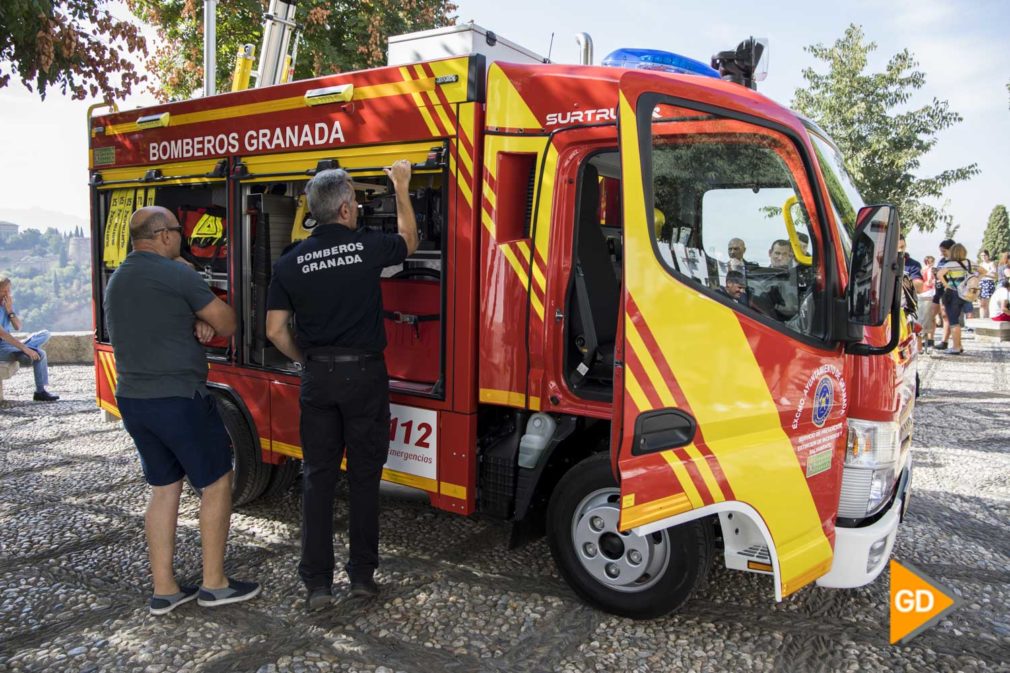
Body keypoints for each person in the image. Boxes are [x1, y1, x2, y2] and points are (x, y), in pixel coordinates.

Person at [265, 162, 419, 612]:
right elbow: (409, 242)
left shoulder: (289, 261)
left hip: (318, 378)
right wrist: (402, 187)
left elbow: (275, 330)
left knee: (317, 478)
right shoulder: (366, 248)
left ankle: (317, 585)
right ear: (348, 209)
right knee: (365, 478)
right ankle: (362, 579)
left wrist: (306, 358)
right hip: (365, 376)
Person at [104, 206, 260, 615]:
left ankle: (166, 590)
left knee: (164, 487)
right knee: (216, 482)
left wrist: (193, 318)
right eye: (178, 232)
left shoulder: (117, 279)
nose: (182, 239)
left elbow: (162, 321)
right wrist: (202, 314)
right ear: (164, 236)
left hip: (133, 399)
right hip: (178, 397)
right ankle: (215, 584)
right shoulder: (177, 274)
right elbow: (226, 322)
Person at [0, 276, 59, 401]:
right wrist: (26, 349)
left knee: (45, 334)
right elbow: (3, 334)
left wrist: (10, 310)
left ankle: (25, 352)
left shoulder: (5, 305)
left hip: (8, 344)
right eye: (4, 291)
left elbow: (18, 327)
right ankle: (40, 392)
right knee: (39, 354)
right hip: (2, 346)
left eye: (8, 290)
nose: (7, 294)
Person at [935, 242, 973, 355]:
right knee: (961, 317)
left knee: (953, 321)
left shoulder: (950, 264)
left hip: (954, 293)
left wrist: (947, 285)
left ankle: (956, 347)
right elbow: (983, 271)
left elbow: (939, 274)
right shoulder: (970, 263)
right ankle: (959, 345)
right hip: (966, 293)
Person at [930, 239, 955, 350]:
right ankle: (930, 339)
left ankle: (944, 341)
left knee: (945, 316)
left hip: (947, 291)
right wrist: (935, 273)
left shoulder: (954, 262)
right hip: (938, 290)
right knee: (931, 314)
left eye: (944, 251)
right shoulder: (941, 260)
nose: (941, 253)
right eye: (941, 251)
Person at [917, 256, 937, 353]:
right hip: (930, 292)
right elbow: (929, 282)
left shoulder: (922, 270)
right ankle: (930, 340)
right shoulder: (930, 270)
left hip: (921, 292)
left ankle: (921, 345)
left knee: (922, 318)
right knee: (930, 318)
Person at [977, 250, 996, 319]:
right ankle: (981, 319)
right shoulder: (980, 265)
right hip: (980, 283)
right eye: (982, 255)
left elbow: (994, 275)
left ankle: (987, 319)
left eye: (985, 255)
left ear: (988, 256)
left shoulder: (991, 263)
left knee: (986, 304)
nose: (983, 257)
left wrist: (985, 274)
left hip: (988, 283)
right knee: (981, 304)